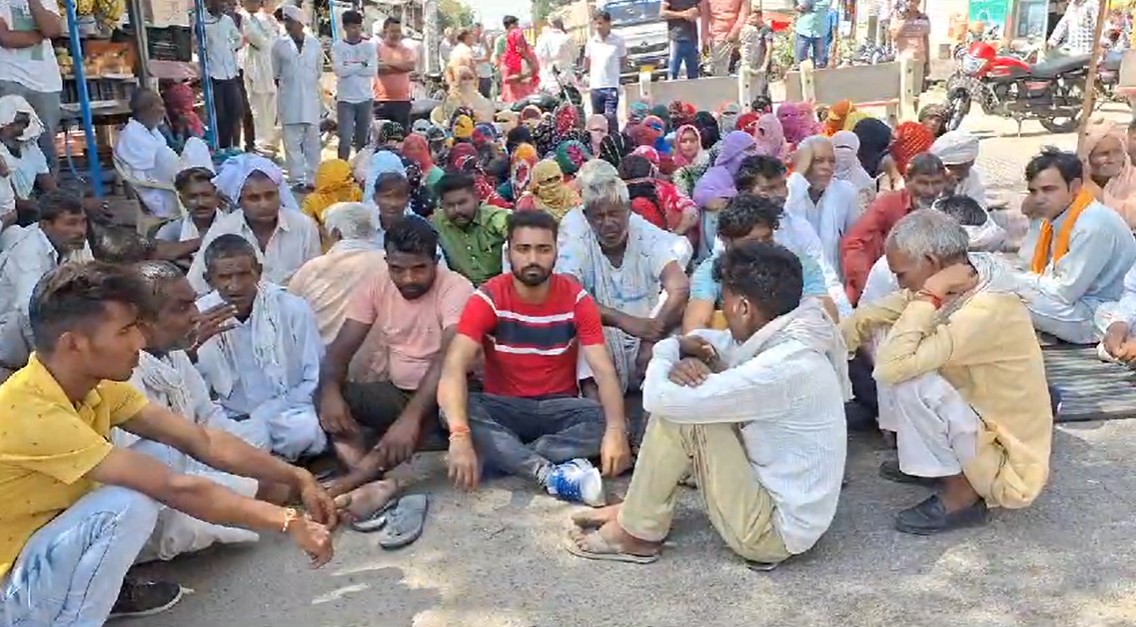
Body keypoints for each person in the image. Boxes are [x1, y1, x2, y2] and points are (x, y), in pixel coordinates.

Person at [0, 261, 335, 624]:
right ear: (74, 344)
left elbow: (201, 440)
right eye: (125, 331)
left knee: (158, 456)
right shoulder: (29, 412)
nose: (140, 342)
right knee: (128, 503)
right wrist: (287, 520)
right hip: (12, 587)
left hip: (45, 558)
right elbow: (175, 488)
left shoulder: (98, 386)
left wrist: (297, 477)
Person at [567, 241, 847, 565]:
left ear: (743, 307)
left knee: (682, 414)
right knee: (691, 393)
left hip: (772, 533)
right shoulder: (794, 333)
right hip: (784, 505)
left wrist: (669, 349)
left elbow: (657, 397)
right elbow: (719, 345)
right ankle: (638, 510)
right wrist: (691, 354)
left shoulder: (784, 367)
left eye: (724, 303)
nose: (722, 314)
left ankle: (637, 532)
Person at [843, 210, 1054, 534]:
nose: (900, 283)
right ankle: (932, 464)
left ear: (931, 262)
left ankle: (963, 495)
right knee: (894, 331)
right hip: (977, 418)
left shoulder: (987, 307)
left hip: (1009, 460)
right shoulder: (966, 276)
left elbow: (891, 368)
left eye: (901, 274)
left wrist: (929, 294)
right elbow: (869, 316)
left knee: (908, 376)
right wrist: (829, 350)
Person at [438, 210, 631, 504]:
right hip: (506, 407)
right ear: (509, 251)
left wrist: (616, 431)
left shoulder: (576, 298)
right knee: (454, 411)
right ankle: (547, 473)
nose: (532, 259)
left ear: (556, 251)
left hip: (559, 407)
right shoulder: (488, 298)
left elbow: (603, 370)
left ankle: (507, 454)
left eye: (543, 249)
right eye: (523, 249)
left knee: (611, 420)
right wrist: (460, 435)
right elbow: (453, 367)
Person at [120, 261, 278, 561]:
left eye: (193, 302)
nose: (196, 315)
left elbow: (208, 418)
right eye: (181, 308)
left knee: (263, 452)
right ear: (142, 322)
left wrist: (254, 462)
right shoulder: (123, 374)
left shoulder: (174, 356)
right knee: (264, 491)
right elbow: (153, 472)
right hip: (159, 493)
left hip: (192, 465)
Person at [318, 218, 473, 498]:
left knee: (441, 409)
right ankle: (367, 472)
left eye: (419, 268)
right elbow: (340, 349)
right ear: (386, 261)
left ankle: (354, 480)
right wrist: (330, 393)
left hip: (448, 394)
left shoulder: (457, 288)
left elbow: (448, 359)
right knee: (325, 395)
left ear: (436, 260)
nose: (408, 279)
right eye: (397, 269)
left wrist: (410, 419)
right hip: (397, 393)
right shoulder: (376, 285)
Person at [194, 235, 327, 460]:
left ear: (259, 271)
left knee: (305, 432)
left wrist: (266, 414)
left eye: (244, 274)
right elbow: (193, 386)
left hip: (285, 411)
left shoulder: (292, 308)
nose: (235, 285)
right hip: (227, 416)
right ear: (209, 279)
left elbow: (314, 376)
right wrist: (193, 343)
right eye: (225, 277)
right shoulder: (199, 316)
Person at [557, 170, 692, 393]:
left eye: (614, 214)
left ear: (628, 212)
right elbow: (567, 292)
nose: (608, 223)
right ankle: (600, 417)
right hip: (602, 334)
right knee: (581, 340)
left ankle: (657, 415)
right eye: (599, 217)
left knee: (675, 335)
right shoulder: (577, 234)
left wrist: (650, 339)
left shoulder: (644, 233)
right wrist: (623, 321)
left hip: (648, 329)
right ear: (588, 217)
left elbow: (679, 286)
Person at [1015, 149, 1136, 344]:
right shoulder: (1055, 218)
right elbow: (1034, 267)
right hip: (1079, 304)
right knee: (1000, 287)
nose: (1039, 198)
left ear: (1075, 187)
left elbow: (1065, 291)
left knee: (1009, 297)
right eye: (1033, 191)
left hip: (1104, 314)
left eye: (1048, 189)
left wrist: (1017, 280)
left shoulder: (1092, 224)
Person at [684, 192, 834, 332]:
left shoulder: (800, 264)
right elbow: (695, 326)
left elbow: (826, 315)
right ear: (726, 240)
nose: (762, 248)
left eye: (767, 238)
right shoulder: (711, 271)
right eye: (753, 242)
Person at [188, 155, 321, 294]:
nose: (264, 204)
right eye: (254, 198)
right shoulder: (223, 230)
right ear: (238, 201)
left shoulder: (303, 226)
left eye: (270, 195)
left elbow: (315, 282)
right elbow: (196, 285)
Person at [0, 190, 90, 377]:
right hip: (11, 335)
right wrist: (49, 362)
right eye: (71, 223)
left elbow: (92, 287)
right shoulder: (28, 250)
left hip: (51, 325)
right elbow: (28, 310)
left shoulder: (76, 242)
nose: (80, 230)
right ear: (45, 225)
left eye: (83, 222)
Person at [842, 152, 951, 304]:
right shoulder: (888, 204)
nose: (930, 191)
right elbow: (854, 243)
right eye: (923, 183)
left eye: (936, 183)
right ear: (907, 180)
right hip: (887, 285)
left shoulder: (948, 209)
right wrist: (868, 284)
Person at [860, 194, 1006, 306]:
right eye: (951, 253)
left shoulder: (999, 282)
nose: (966, 263)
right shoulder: (891, 269)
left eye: (964, 254)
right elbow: (867, 331)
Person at [289, 201, 385, 344]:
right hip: (377, 358)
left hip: (320, 356)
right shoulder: (389, 264)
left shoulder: (313, 269)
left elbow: (289, 312)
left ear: (336, 233)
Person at [113, 90, 212, 221]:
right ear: (148, 109)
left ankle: (210, 189)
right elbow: (161, 168)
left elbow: (174, 154)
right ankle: (209, 191)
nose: (163, 110)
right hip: (164, 195)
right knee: (182, 149)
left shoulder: (150, 131)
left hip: (173, 184)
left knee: (196, 145)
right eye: (161, 105)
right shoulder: (132, 136)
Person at [786, 135, 859, 278]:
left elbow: (853, 242)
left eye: (832, 161)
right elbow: (785, 216)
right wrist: (798, 174)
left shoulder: (846, 192)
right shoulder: (789, 191)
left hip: (834, 282)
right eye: (818, 161)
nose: (827, 167)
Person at [272, 6, 322, 191]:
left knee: (312, 144)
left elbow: (317, 72)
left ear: (300, 23)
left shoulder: (314, 44)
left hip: (310, 100)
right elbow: (275, 74)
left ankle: (313, 179)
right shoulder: (279, 45)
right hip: (289, 101)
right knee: (292, 144)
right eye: (286, 21)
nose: (287, 25)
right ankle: (296, 180)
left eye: (291, 22)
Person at [432, 172, 509, 286]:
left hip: (500, 288)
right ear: (442, 205)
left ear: (476, 197)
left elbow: (516, 229)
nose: (457, 210)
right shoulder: (437, 223)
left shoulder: (493, 217)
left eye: (462, 203)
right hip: (462, 292)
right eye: (450, 205)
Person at [331, 10, 377, 162]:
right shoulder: (338, 47)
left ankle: (360, 169)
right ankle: (341, 168)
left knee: (362, 139)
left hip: (365, 98)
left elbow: (372, 70)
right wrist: (361, 64)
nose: (356, 31)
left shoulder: (369, 46)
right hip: (345, 99)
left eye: (358, 27)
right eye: (352, 27)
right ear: (344, 27)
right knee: (344, 138)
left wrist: (350, 66)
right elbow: (339, 71)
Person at [153, 167, 221, 266]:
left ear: (217, 196)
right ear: (182, 200)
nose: (200, 203)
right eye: (192, 197)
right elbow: (158, 253)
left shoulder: (234, 223)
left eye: (206, 195)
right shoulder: (174, 229)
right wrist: (204, 241)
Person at [0, 95, 52, 222]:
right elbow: (14, 202)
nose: (20, 128)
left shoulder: (30, 147)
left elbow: (48, 185)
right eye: (16, 122)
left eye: (24, 123)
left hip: (28, 209)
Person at [201, 0, 244, 149]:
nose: (223, 4)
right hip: (214, 75)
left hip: (231, 74)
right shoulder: (202, 23)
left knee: (236, 111)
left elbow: (238, 38)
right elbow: (198, 46)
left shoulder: (227, 20)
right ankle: (224, 148)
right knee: (220, 117)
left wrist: (230, 48)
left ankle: (236, 147)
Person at [1079, 119, 1136, 230]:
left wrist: (1088, 185)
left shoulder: (1133, 178)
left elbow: (1129, 217)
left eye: (1117, 152)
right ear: (1087, 157)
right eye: (1103, 154)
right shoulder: (1070, 180)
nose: (1112, 159)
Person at [241, 0, 279, 153]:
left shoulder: (267, 18)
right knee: (258, 107)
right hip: (256, 69)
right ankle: (261, 142)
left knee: (271, 107)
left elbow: (276, 38)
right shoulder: (243, 18)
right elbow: (259, 40)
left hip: (271, 67)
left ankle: (270, 141)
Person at [585, 11, 627, 134]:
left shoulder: (618, 41)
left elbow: (623, 61)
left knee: (610, 118)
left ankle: (614, 143)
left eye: (601, 23)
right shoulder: (591, 42)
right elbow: (586, 63)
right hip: (595, 87)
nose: (598, 27)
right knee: (597, 120)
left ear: (609, 23)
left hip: (611, 86)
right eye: (596, 23)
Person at [374, 17, 417, 130]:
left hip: (402, 101)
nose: (396, 34)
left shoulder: (406, 50)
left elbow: (410, 66)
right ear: (385, 32)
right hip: (381, 101)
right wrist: (400, 66)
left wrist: (388, 63)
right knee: (380, 136)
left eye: (398, 31)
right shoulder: (377, 49)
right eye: (393, 31)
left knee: (401, 136)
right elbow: (377, 68)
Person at [890, 0, 931, 112]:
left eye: (916, 1)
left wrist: (927, 62)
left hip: (919, 59)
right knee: (901, 94)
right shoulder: (898, 16)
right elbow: (893, 36)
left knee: (915, 95)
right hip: (903, 60)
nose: (913, 3)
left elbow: (926, 39)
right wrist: (905, 20)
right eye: (910, 1)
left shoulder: (923, 18)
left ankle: (913, 120)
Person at [930, 130, 988, 207]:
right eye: (960, 168)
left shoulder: (972, 177)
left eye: (970, 165)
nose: (966, 174)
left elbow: (978, 207)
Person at [302, 159, 363, 226]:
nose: (350, 183)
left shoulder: (356, 194)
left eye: (351, 177)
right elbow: (306, 228)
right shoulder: (312, 201)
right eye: (346, 179)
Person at [702, 0, 747, 76]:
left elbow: (744, 14)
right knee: (718, 69)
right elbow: (705, 17)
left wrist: (734, 32)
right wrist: (704, 38)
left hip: (740, 33)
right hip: (718, 36)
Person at [500, 25, 540, 104]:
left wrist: (525, 56)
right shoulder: (507, 58)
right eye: (517, 41)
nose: (520, 43)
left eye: (522, 40)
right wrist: (523, 76)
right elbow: (506, 79)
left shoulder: (530, 54)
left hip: (529, 96)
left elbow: (536, 69)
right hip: (513, 99)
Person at [738, 9, 774, 96]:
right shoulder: (750, 30)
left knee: (762, 89)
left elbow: (769, 48)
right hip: (751, 62)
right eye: (750, 18)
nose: (751, 21)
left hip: (761, 62)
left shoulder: (766, 30)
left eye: (753, 18)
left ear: (760, 17)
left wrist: (765, 65)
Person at [663, 0, 701, 80]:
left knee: (693, 71)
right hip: (676, 38)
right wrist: (683, 14)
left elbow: (702, 8)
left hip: (692, 37)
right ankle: (671, 91)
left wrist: (696, 11)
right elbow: (663, 13)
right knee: (673, 70)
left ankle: (694, 91)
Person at [535, 18, 576, 91]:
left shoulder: (543, 39)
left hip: (549, 80)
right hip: (568, 79)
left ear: (550, 25)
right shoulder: (568, 38)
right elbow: (575, 55)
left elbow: (538, 57)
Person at [794, 0, 830, 68]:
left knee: (820, 62)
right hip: (804, 30)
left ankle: (819, 75)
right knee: (800, 61)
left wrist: (807, 6)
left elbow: (804, 7)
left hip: (819, 32)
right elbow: (801, 7)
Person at [472, 23, 494, 98]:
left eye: (481, 30)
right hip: (475, 76)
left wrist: (484, 41)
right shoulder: (471, 45)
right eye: (477, 30)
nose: (479, 33)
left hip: (485, 75)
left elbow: (488, 57)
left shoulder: (485, 44)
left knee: (486, 97)